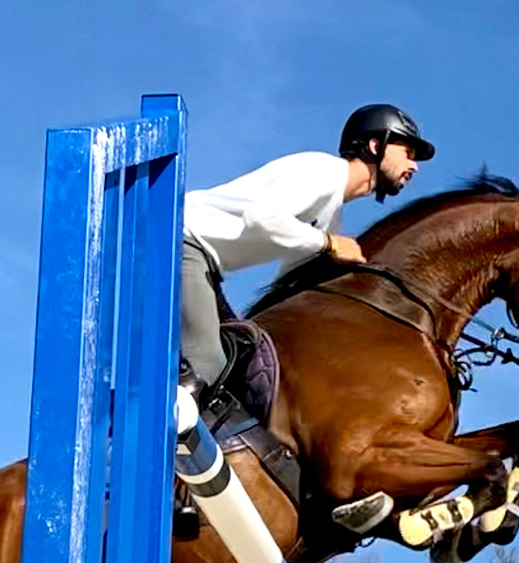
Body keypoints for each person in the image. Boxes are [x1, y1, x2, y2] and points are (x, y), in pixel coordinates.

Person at [174, 102, 434, 449]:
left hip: (205, 263)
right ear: (375, 146)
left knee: (234, 373)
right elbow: (262, 217)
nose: (413, 165)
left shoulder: (331, 212)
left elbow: (292, 281)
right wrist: (327, 243)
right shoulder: (322, 171)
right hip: (182, 239)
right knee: (209, 366)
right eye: (408, 151)